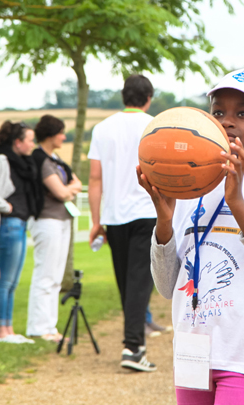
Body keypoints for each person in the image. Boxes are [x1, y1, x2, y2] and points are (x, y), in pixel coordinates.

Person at [146, 68, 244, 405]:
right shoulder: (189, 187)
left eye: (242, 113)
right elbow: (165, 286)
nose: (228, 121)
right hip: (193, 351)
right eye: (219, 112)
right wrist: (164, 223)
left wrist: (237, 201)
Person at [88, 75, 158, 372]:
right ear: (149, 98)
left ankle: (134, 343)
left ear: (123, 96)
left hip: (114, 216)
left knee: (126, 282)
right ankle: (133, 347)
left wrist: (95, 221)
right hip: (146, 211)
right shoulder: (156, 126)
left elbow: (94, 179)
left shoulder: (102, 128)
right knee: (140, 283)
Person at [27, 115, 82, 341]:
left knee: (56, 276)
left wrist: (69, 189)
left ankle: (50, 327)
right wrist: (69, 190)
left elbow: (75, 183)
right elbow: (61, 192)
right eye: (60, 132)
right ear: (50, 135)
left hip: (62, 219)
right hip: (46, 220)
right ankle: (38, 327)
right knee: (46, 274)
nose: (64, 136)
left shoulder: (55, 158)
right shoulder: (40, 159)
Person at [0, 121, 39, 344]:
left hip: (19, 224)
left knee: (12, 281)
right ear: (18, 142)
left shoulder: (23, 164)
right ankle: (0, 331)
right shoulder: (2, 160)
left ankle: (7, 330)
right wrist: (3, 205)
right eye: (29, 140)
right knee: (4, 280)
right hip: (8, 224)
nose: (32, 144)